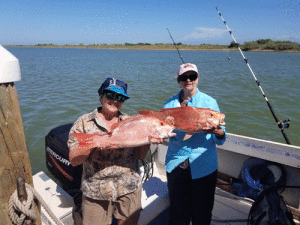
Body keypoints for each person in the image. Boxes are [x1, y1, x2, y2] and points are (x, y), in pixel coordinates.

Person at [67, 77, 153, 225]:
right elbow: (74, 160)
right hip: (96, 190)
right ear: (101, 97)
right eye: (110, 95)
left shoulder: (130, 122)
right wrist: (92, 143)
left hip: (129, 186)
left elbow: (139, 155)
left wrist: (148, 139)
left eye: (120, 98)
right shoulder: (84, 122)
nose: (115, 100)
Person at [163, 63, 226, 225]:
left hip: (204, 165)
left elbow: (221, 136)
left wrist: (217, 131)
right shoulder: (169, 106)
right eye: (184, 77)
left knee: (203, 212)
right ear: (179, 80)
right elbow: (165, 135)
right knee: (178, 211)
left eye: (192, 77)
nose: (188, 80)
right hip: (177, 163)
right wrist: (169, 128)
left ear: (198, 79)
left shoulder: (209, 103)